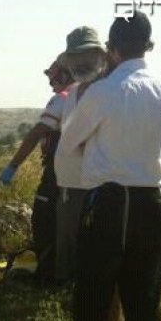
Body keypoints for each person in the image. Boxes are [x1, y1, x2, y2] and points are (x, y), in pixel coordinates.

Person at [47, 11, 161, 321]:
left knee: (93, 298)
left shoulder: (106, 91)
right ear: (150, 46)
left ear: (112, 49)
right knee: (144, 300)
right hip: (151, 201)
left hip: (108, 202)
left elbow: (69, 140)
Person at [0, 59, 74, 284]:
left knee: (43, 218)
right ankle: (63, 273)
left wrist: (13, 165)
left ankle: (48, 274)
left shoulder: (63, 98)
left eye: (52, 77)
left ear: (63, 74)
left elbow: (36, 132)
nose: (51, 83)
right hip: (80, 173)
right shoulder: (87, 96)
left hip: (57, 171)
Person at [51, 27, 109, 284]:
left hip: (95, 184)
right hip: (69, 183)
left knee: (91, 245)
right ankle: (65, 291)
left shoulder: (109, 89)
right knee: (67, 240)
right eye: (76, 56)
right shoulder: (74, 90)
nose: (82, 62)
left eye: (88, 55)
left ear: (101, 56)